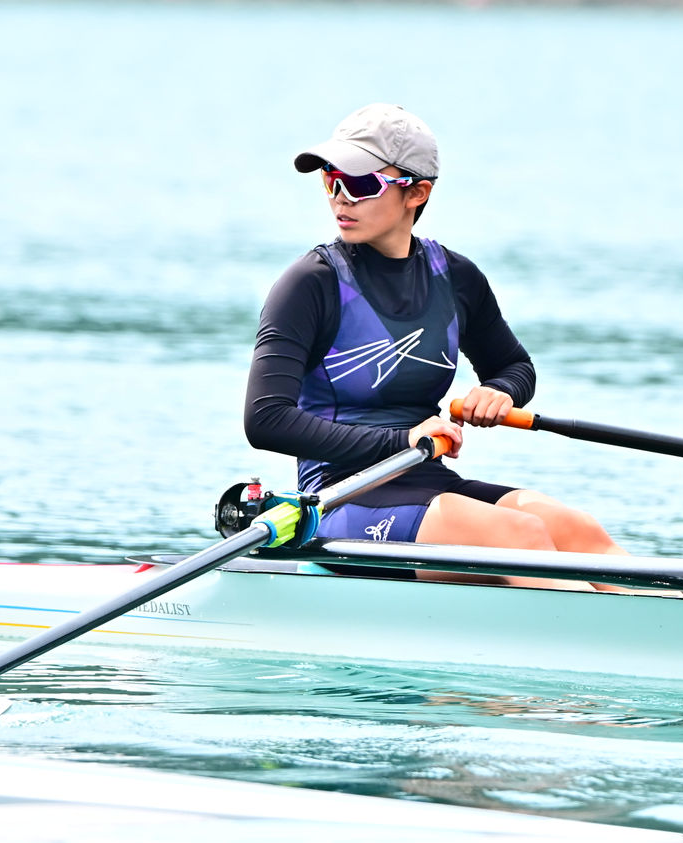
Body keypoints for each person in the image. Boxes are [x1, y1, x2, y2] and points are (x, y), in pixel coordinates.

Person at [243, 104, 625, 588]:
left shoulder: (455, 278)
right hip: (341, 498)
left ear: (417, 192)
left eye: (360, 184)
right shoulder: (310, 284)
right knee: (520, 535)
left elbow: (513, 365)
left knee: (578, 531)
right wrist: (399, 441)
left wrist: (500, 392)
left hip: (429, 479)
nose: (340, 198)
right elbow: (265, 419)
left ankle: (666, 622)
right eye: (330, 180)